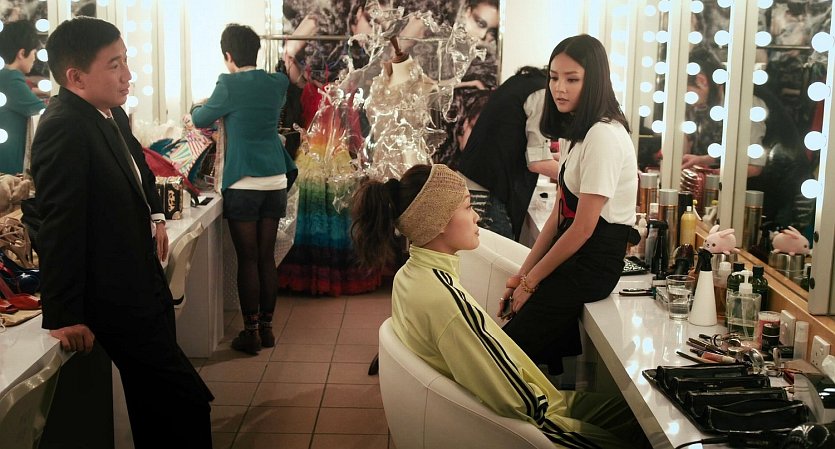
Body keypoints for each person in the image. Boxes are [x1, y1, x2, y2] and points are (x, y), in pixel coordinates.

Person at [350, 163, 648, 449]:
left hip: (532, 406)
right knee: (646, 428)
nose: (477, 216)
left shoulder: (410, 276)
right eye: (468, 207)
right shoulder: (443, 299)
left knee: (637, 416)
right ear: (438, 222)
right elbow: (519, 402)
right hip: (537, 424)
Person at [29, 17, 213, 448]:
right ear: (76, 77)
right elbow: (59, 223)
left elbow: (138, 169)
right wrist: (64, 313)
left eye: (126, 61)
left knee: (160, 406)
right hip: (114, 296)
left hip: (138, 282)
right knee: (184, 403)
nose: (128, 75)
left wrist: (156, 215)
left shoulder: (106, 113)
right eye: (114, 65)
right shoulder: (64, 126)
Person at [499, 35, 638, 375]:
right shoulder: (575, 132)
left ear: (594, 82)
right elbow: (558, 217)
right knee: (512, 342)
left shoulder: (604, 136)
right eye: (553, 77)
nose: (559, 88)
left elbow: (583, 228)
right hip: (574, 254)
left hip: (594, 264)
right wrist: (521, 277)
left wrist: (532, 283)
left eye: (572, 79)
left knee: (509, 352)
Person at [192, 24, 297, 355]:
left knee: (247, 259)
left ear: (228, 55)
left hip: (243, 181)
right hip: (275, 179)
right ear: (256, 51)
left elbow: (200, 119)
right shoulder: (276, 83)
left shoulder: (228, 84)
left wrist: (198, 106)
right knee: (266, 257)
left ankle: (250, 332)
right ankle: (267, 329)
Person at [682, 46, 811, 229]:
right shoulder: (728, 99)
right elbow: (740, 150)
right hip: (769, 189)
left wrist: (712, 175)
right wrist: (704, 160)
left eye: (689, 92)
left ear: (702, 81)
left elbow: (753, 166)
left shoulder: (746, 102)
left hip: (788, 194)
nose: (690, 101)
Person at [457, 65, 558, 240]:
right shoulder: (541, 94)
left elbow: (520, 148)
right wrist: (578, 178)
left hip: (474, 184)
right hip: (488, 194)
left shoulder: (521, 82)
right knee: (496, 255)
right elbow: (537, 162)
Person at [0, 19, 45, 174]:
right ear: (21, 53)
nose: (35, 58)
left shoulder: (5, 76)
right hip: (8, 162)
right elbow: (43, 112)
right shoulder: (10, 78)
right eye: (34, 53)